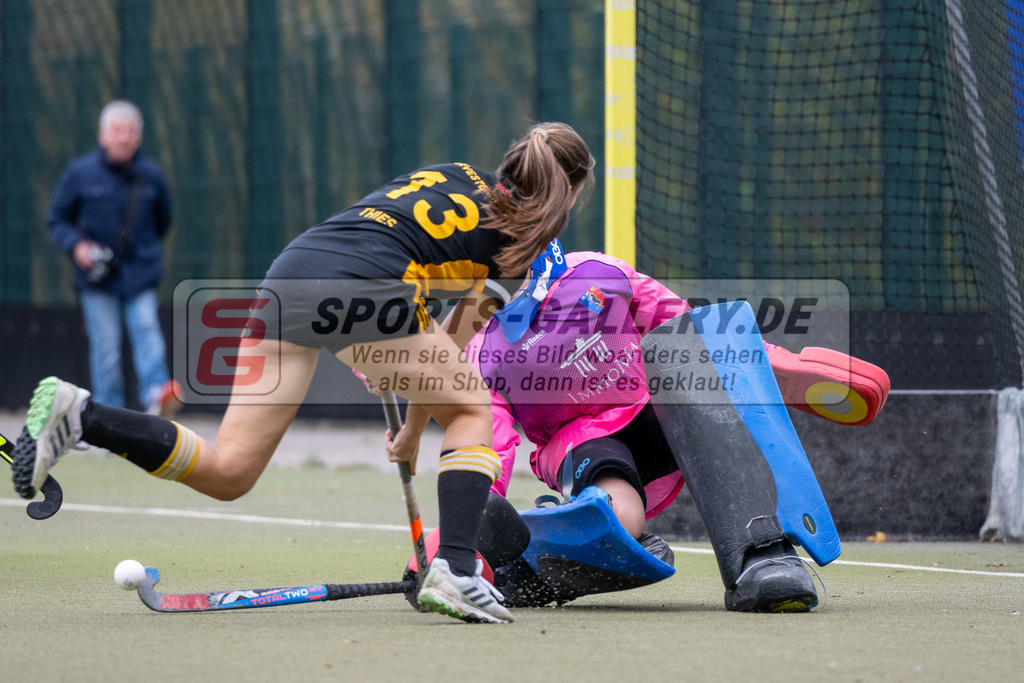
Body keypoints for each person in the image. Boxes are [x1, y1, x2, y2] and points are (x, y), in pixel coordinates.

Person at [12, 122, 596, 625]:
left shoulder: (451, 171)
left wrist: (390, 360)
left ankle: (81, 414)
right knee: (471, 410)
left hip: (292, 275)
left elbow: (385, 247)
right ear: (568, 190)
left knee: (231, 470)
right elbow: (454, 349)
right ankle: (458, 571)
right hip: (366, 290)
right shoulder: (523, 242)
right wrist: (415, 428)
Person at [388, 249, 890, 612]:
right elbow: (488, 441)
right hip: (581, 439)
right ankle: (535, 562)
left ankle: (763, 557)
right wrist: (469, 533)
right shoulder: (482, 350)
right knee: (622, 518)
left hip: (659, 411)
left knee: (699, 374)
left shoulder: (599, 272)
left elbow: (683, 330)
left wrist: (755, 362)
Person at [47, 100, 179, 417]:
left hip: (140, 272)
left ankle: (156, 397)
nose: (124, 137)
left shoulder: (152, 176)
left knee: (146, 328)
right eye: (117, 130)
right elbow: (57, 219)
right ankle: (109, 414)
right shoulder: (79, 173)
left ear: (139, 137)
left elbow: (165, 220)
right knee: (105, 346)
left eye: (130, 131)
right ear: (103, 136)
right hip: (97, 277)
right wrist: (77, 246)